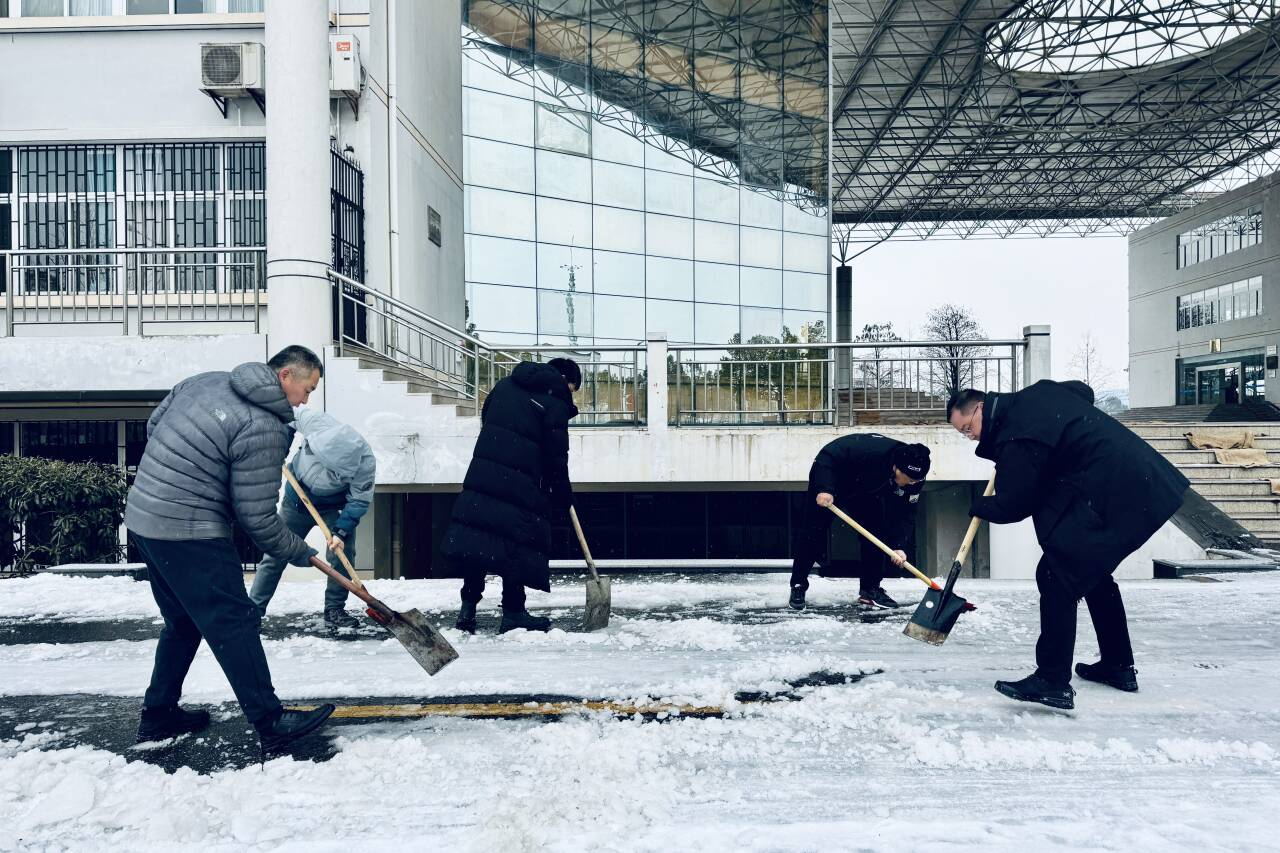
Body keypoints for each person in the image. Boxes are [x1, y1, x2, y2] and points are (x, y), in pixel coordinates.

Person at [125, 346, 335, 750]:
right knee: (236, 621)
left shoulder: (206, 381)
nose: (305, 401)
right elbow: (257, 518)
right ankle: (271, 722)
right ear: (285, 376)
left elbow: (155, 426)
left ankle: (158, 714)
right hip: (190, 530)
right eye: (307, 389)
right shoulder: (265, 427)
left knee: (183, 621)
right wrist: (300, 552)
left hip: (145, 517)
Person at [947, 381, 1188, 710]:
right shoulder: (1034, 398)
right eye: (963, 434)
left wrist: (977, 506)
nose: (970, 437)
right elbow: (1081, 391)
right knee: (1093, 574)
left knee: (1055, 573)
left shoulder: (1018, 434)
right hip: (1138, 482)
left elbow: (1013, 505)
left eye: (968, 428)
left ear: (980, 409)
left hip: (1117, 492)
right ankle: (1117, 665)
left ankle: (1052, 680)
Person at [442, 358, 580, 634]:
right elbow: (555, 456)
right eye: (572, 389)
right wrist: (562, 493)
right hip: (522, 482)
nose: (571, 395)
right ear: (565, 380)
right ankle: (514, 612)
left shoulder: (505, 385)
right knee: (516, 545)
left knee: (479, 539)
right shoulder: (554, 401)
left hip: (486, 472)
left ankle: (467, 607)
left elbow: (487, 418)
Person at [249, 407, 376, 631]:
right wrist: (280, 447)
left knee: (342, 553)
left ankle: (334, 610)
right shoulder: (315, 422)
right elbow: (285, 417)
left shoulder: (365, 464)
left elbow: (359, 501)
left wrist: (341, 532)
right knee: (276, 554)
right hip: (296, 501)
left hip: (333, 507)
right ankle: (253, 613)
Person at [788, 434, 931, 612]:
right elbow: (827, 458)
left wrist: (899, 546)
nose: (911, 484)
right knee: (813, 532)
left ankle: (870, 590)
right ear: (896, 467)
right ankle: (798, 586)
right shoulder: (871, 452)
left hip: (867, 489)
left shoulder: (915, 478)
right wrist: (825, 488)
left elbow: (906, 514)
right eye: (909, 479)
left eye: (916, 480)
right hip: (836, 477)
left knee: (874, 534)